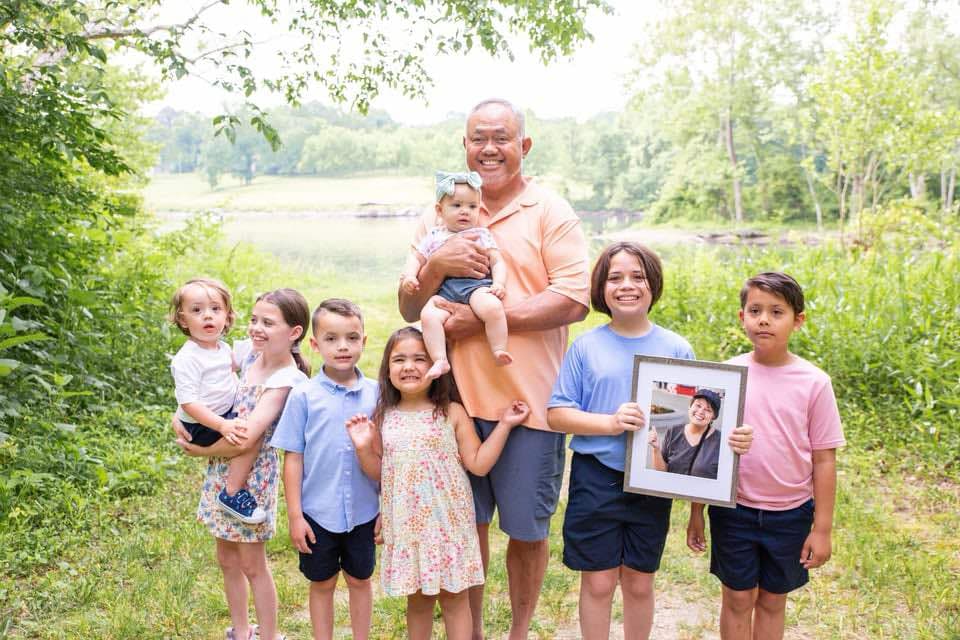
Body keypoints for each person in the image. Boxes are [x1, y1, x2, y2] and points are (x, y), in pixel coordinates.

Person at [398, 98, 590, 640]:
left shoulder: (549, 211)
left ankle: (519, 632)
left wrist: (482, 322)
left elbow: (574, 299)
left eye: (501, 137)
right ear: (464, 146)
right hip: (453, 404)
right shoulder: (440, 213)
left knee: (527, 531)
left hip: (527, 403)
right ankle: (474, 631)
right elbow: (411, 309)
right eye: (478, 137)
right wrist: (436, 267)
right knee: (466, 527)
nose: (489, 148)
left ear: (522, 146)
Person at [547, 242, 754, 640]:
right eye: (615, 277)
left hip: (653, 483)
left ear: (653, 285)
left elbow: (708, 418)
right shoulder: (586, 346)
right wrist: (610, 423)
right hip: (597, 477)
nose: (627, 286)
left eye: (638, 276)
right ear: (600, 288)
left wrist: (731, 440)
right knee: (599, 583)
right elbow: (557, 414)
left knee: (639, 583)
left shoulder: (675, 348)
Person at [686, 272, 844, 640]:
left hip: (790, 514)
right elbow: (708, 452)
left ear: (797, 320)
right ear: (742, 317)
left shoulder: (814, 382)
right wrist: (696, 512)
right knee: (737, 598)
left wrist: (821, 529)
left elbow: (824, 459)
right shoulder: (727, 375)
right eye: (755, 310)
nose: (764, 319)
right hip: (733, 509)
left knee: (773, 601)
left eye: (777, 312)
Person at [345, 326, 530, 640]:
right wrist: (364, 448)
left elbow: (479, 464)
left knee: (455, 598)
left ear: (437, 367)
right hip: (409, 531)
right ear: (387, 369)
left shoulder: (451, 413)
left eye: (420, 358)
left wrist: (504, 426)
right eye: (399, 359)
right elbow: (380, 472)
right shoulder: (384, 416)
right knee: (418, 601)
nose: (409, 366)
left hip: (448, 527)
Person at [174, 288, 311, 640]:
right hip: (223, 466)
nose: (256, 328)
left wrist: (202, 451)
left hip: (251, 478)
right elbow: (208, 375)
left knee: (253, 564)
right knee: (227, 559)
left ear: (294, 332)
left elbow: (248, 438)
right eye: (253, 320)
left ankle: (268, 635)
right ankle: (240, 630)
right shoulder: (251, 355)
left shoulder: (285, 378)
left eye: (268, 322)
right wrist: (181, 416)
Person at [271, 298, 380, 640]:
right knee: (322, 582)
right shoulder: (303, 396)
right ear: (315, 345)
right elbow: (294, 457)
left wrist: (386, 506)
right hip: (318, 512)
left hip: (364, 510)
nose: (343, 346)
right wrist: (295, 515)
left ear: (364, 340)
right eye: (331, 339)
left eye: (351, 337)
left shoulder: (378, 394)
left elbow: (385, 455)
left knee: (361, 580)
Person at [169, 277, 266, 524]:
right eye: (197, 310)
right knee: (250, 436)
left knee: (250, 427)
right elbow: (190, 402)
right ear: (183, 319)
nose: (207, 316)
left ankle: (228, 466)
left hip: (220, 413)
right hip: (201, 424)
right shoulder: (187, 358)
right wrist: (222, 426)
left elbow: (234, 366)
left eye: (215, 309)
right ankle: (231, 493)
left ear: (227, 316)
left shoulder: (220, 348)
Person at [400, 171, 511, 379]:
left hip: (475, 288)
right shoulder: (434, 235)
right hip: (445, 292)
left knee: (493, 307)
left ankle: (498, 349)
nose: (465, 212)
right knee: (429, 315)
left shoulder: (481, 234)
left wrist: (499, 283)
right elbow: (416, 258)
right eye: (457, 206)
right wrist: (410, 277)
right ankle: (440, 359)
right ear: (439, 211)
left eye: (472, 206)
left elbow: (497, 261)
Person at [648, 388, 723, 479]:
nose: (701, 412)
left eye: (708, 410)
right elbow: (662, 472)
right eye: (698, 405)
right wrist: (656, 448)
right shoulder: (673, 432)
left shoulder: (720, 442)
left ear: (713, 417)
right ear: (690, 406)